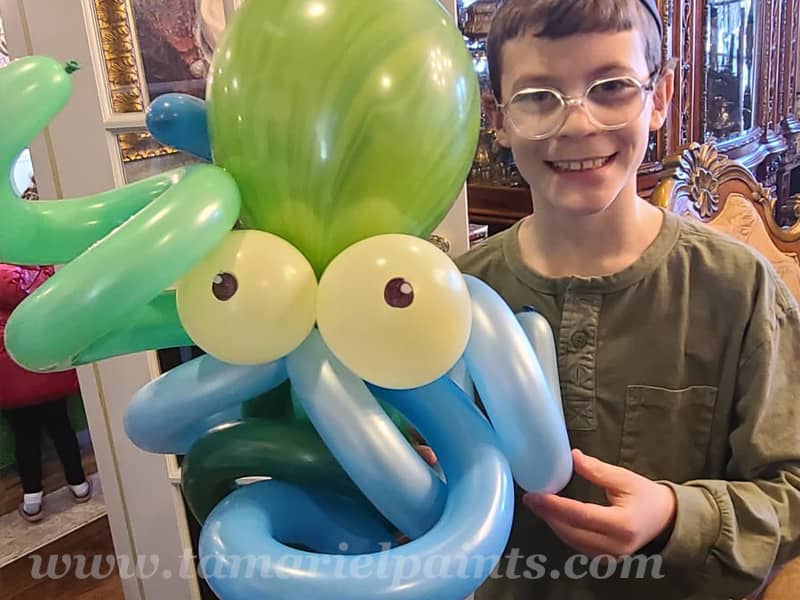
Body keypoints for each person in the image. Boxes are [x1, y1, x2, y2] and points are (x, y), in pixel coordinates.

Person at [452, 1, 800, 598]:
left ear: (659, 97)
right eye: (538, 96)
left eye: (611, 87)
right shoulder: (457, 294)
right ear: (498, 119)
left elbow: (789, 487)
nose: (578, 123)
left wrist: (673, 515)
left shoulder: (737, 289)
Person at [0, 263, 91, 523]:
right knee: (62, 427)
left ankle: (32, 500)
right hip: (45, 368)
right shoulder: (40, 273)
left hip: (9, 380)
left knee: (25, 438)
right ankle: (79, 485)